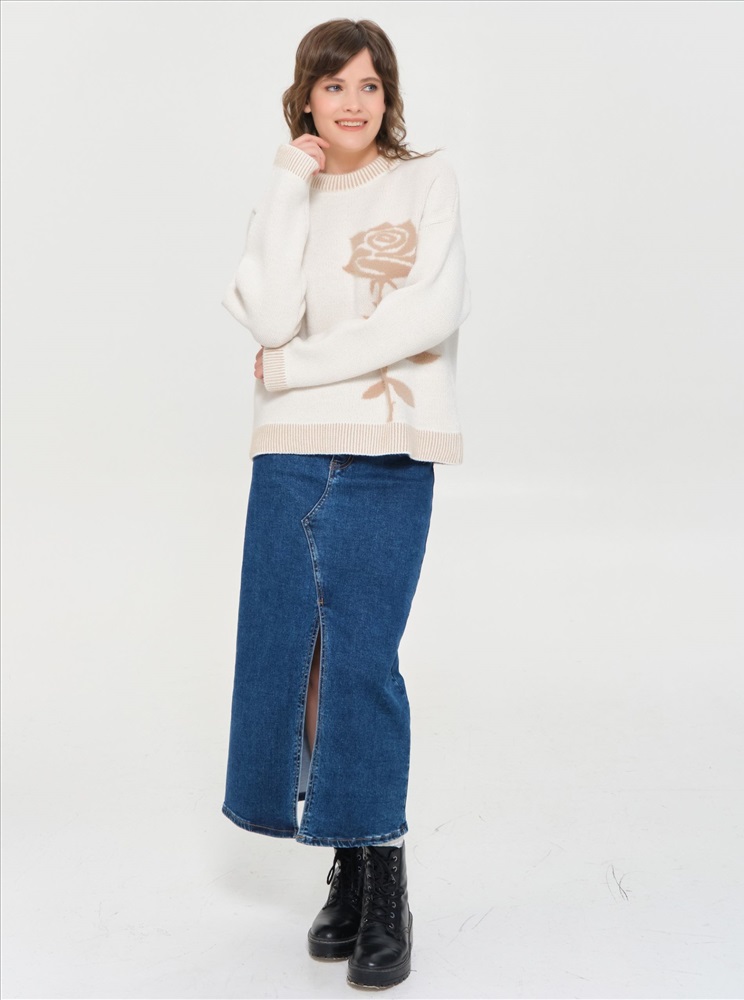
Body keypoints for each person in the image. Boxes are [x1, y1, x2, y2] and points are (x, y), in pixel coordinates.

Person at [220, 17, 470, 990]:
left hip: (387, 449)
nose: (353, 103)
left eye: (369, 85)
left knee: (363, 660)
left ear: (388, 94)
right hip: (288, 453)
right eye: (334, 87)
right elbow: (268, 311)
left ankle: (386, 872)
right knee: (301, 661)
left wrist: (294, 369)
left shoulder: (427, 181)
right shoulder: (287, 194)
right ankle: (351, 868)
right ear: (307, 98)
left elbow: (428, 314)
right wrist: (290, 179)